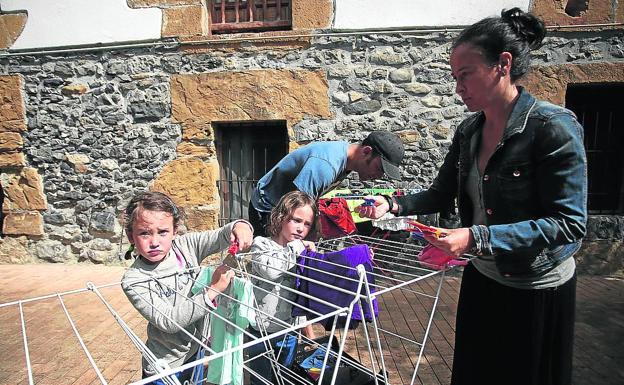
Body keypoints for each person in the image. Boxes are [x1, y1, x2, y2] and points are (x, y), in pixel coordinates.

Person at [358, 8, 587, 385]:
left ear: (503, 64)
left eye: (465, 75)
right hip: (483, 276)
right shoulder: (469, 131)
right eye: (454, 77)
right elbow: (439, 194)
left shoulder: (553, 127)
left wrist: (475, 237)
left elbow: (568, 224)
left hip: (535, 288)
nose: (458, 87)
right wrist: (393, 204)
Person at [121, 191, 254, 384]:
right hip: (165, 366)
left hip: (195, 352)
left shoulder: (185, 247)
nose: (155, 242)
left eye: (163, 232)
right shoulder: (134, 279)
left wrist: (240, 227)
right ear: (131, 236)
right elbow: (169, 322)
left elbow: (221, 235)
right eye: (144, 233)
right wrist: (213, 290)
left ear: (175, 231)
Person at [249, 130, 405, 236]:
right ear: (366, 152)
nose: (378, 176)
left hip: (285, 204)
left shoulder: (345, 159)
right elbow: (298, 209)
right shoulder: (327, 165)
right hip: (267, 207)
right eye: (379, 168)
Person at [247, 191, 318, 385]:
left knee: (285, 377)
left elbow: (304, 290)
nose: (301, 228)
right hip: (261, 331)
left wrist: (307, 331)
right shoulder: (261, 244)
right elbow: (270, 271)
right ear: (280, 217)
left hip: (290, 331)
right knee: (261, 379)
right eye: (296, 220)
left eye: (307, 224)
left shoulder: (302, 251)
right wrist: (296, 249)